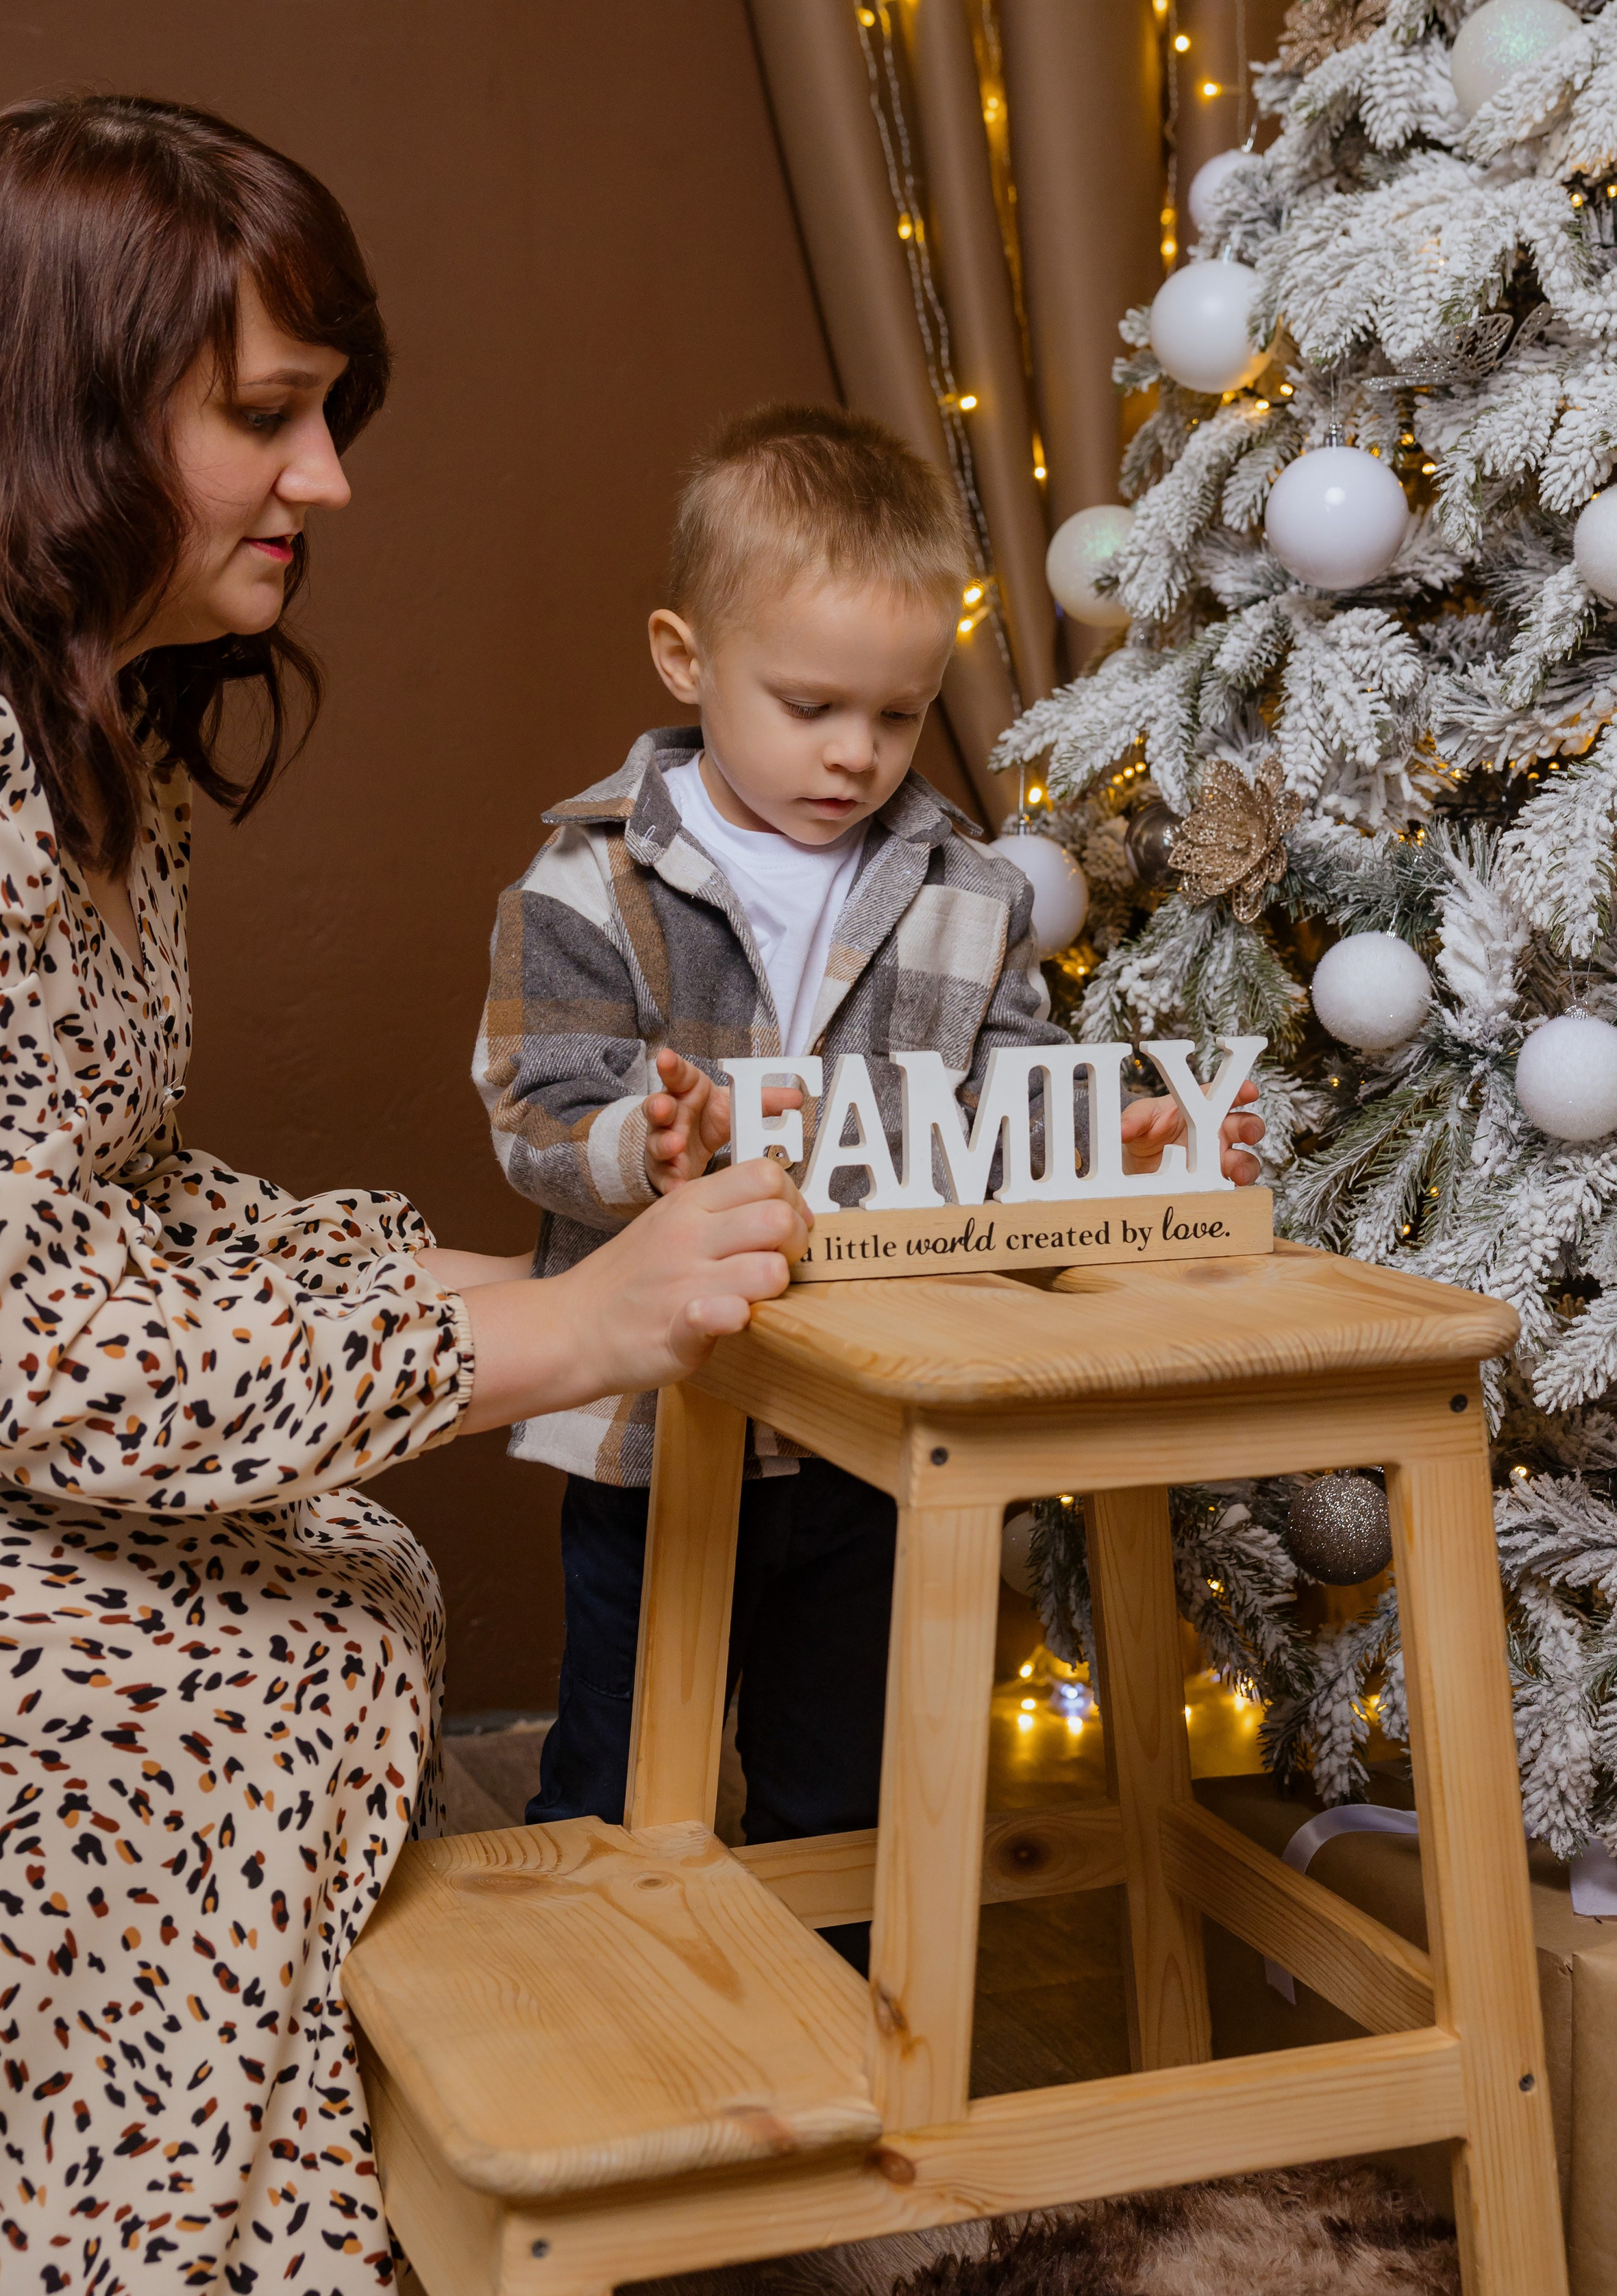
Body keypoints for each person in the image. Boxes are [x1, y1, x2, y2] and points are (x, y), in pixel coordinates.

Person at [0, 96, 808, 2293]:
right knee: (209, 1663)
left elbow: (99, 1183)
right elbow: (36, 1339)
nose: (330, 480)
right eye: (266, 416)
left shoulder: (87, 741)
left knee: (332, 1579)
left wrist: (478, 1268)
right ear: (61, 408)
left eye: (331, 413)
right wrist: (544, 1335)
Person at [475, 405, 1265, 1959]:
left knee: (840, 1779)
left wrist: (1109, 1136)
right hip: (661, 1421)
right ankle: (581, 2007)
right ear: (684, 659)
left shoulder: (959, 887)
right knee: (620, 1754)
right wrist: (651, 1142)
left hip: (872, 1422)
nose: (855, 752)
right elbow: (532, 1101)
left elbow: (1000, 1098)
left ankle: (821, 2030)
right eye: (811, 704)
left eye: (896, 717)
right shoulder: (591, 880)